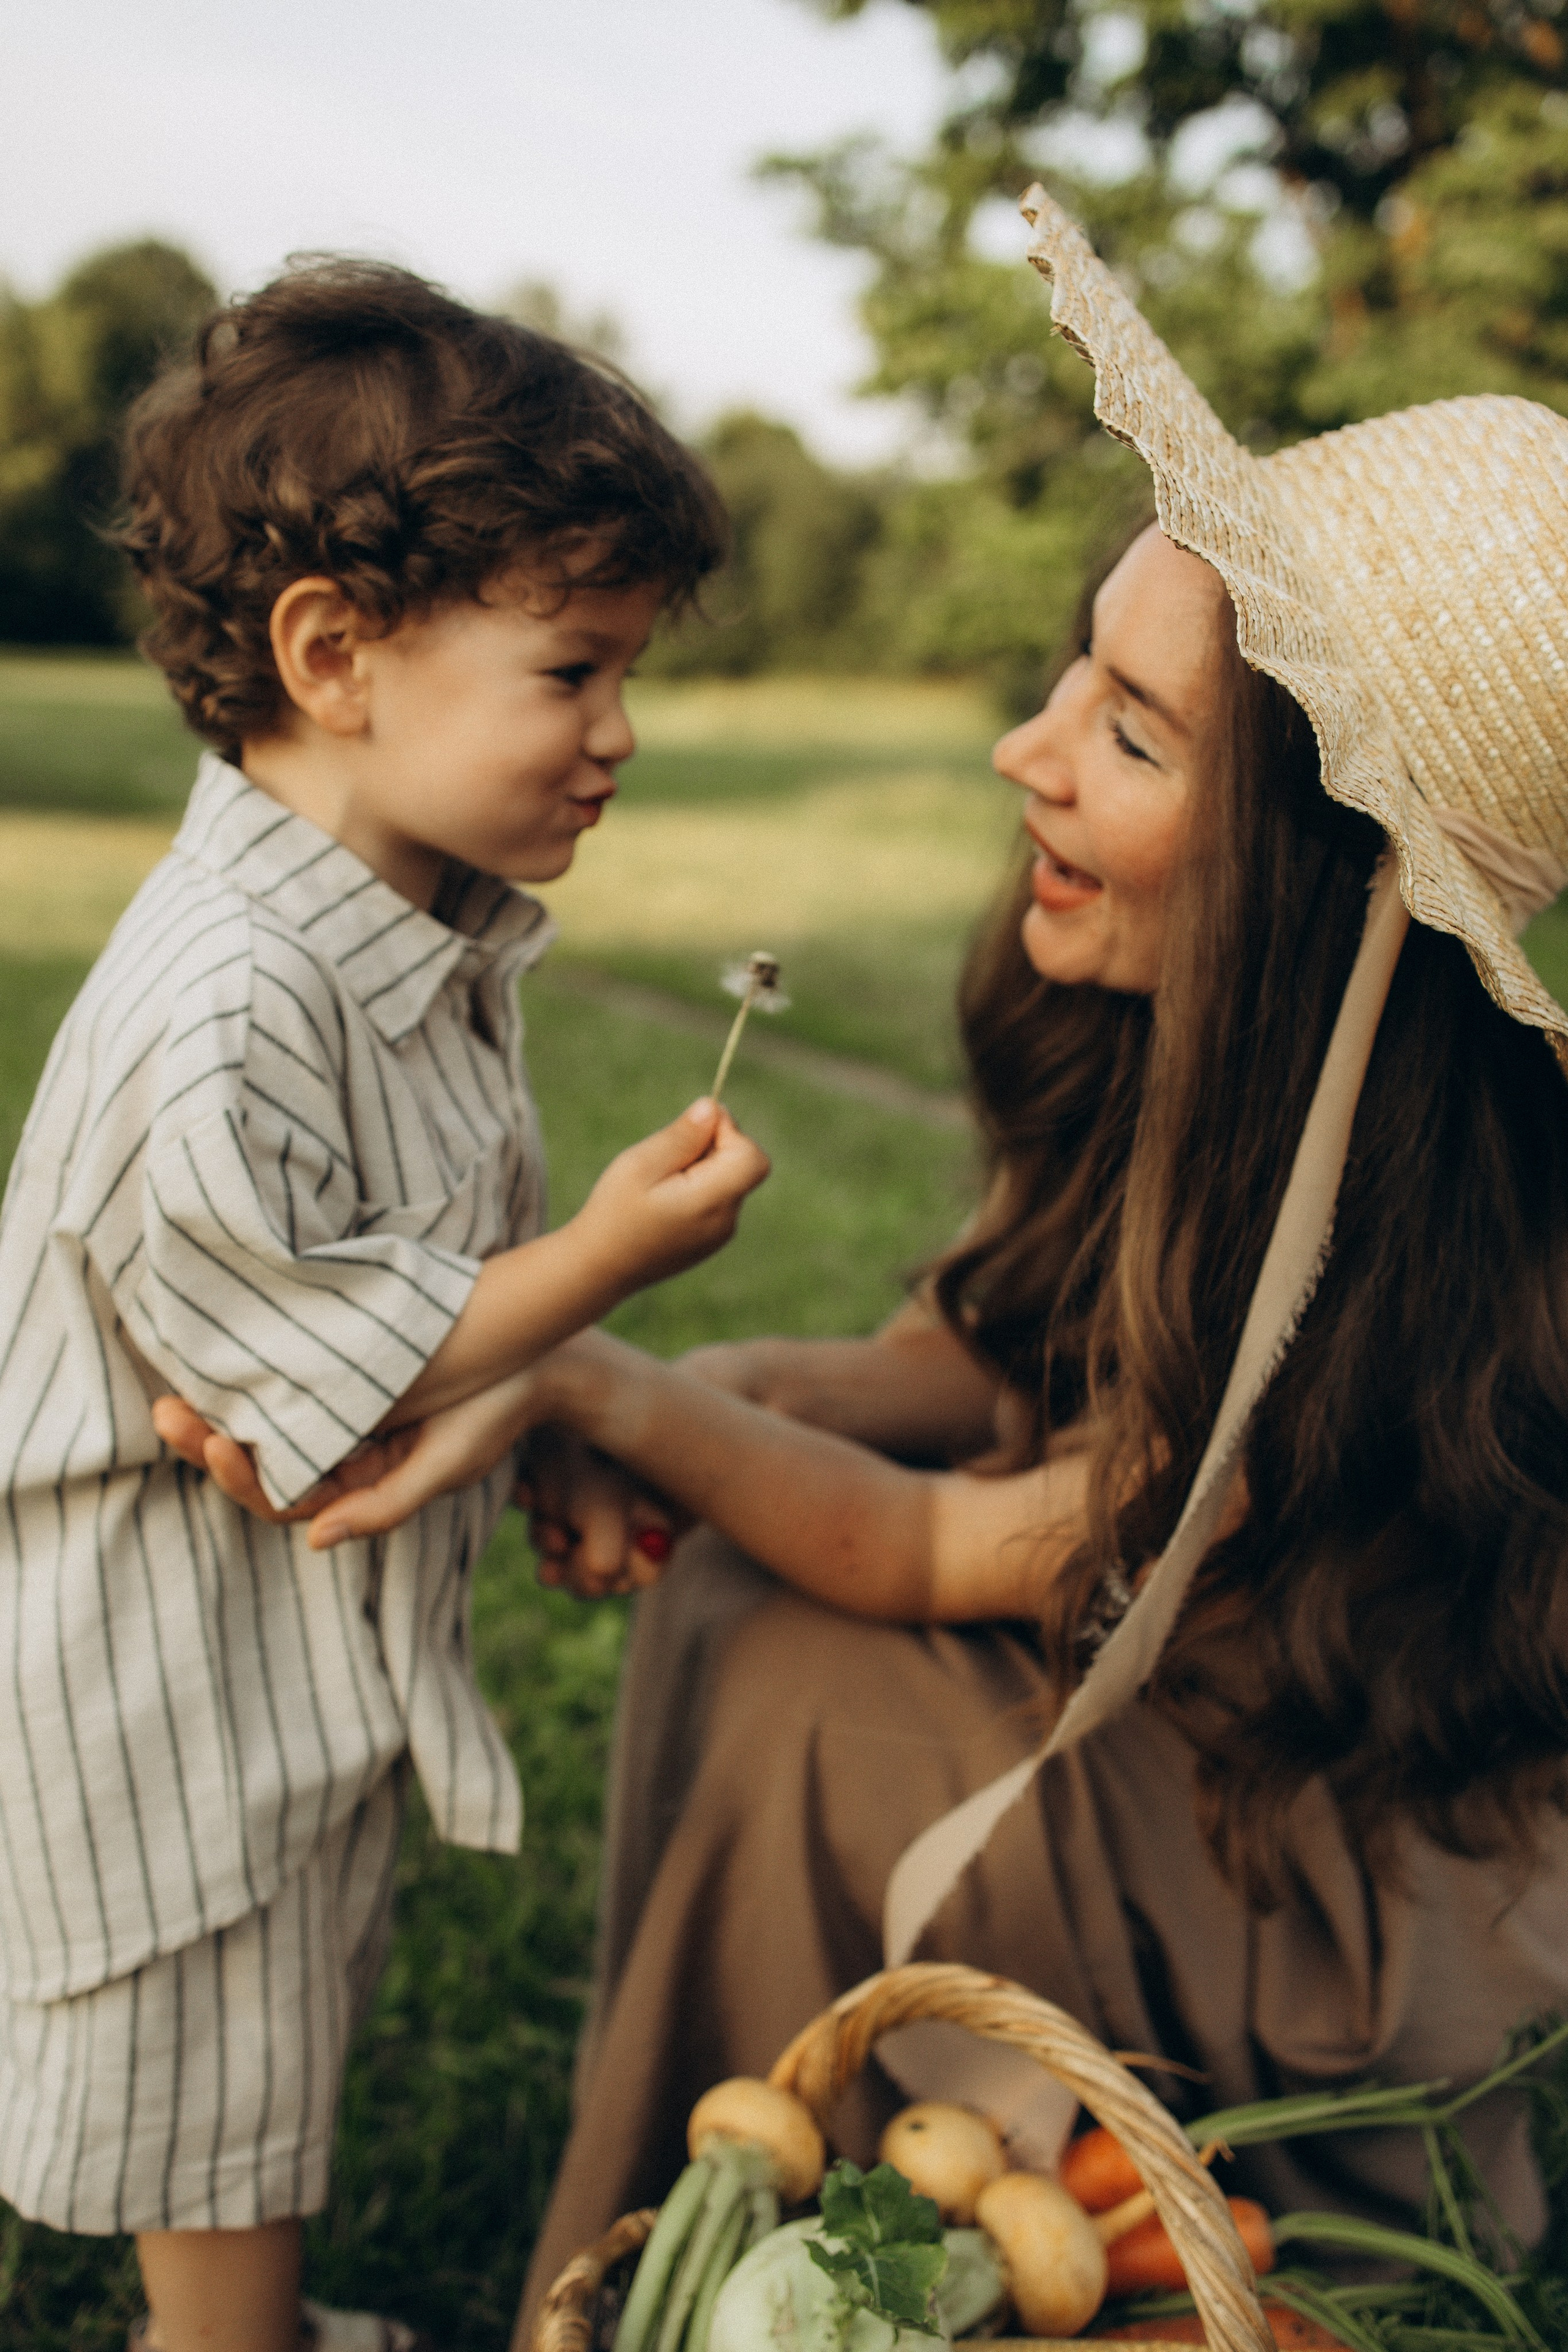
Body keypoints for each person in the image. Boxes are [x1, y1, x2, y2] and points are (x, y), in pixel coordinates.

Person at [166, 198, 1568, 2340]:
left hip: (1319, 1856)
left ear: (1317, 882)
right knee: (743, 1579)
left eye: (1130, 735)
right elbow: (960, 1346)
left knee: (814, 1680)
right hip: (1167, 1696)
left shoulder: (1387, 1266)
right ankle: (735, 2228)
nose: (1030, 751)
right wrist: (723, 1382)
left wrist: (596, 1389)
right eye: (1070, 677)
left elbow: (941, 1549)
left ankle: (949, 2246)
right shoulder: (1149, 1040)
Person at [0, 260, 771, 2352]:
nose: (616, 738)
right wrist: (605, 1267)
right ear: (334, 654)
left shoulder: (414, 933)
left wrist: (551, 1425)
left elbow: (431, 1292)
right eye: (572, 671)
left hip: (288, 1667)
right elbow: (318, 1361)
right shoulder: (224, 1004)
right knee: (219, 2082)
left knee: (284, 2047)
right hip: (162, 1702)